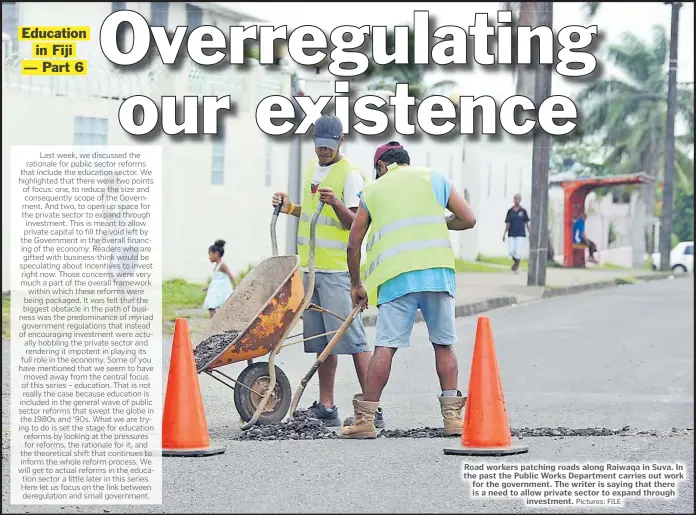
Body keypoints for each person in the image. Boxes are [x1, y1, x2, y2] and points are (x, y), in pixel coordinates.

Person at [340, 141, 477, 440]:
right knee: (443, 344)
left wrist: (355, 284)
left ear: (381, 166)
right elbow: (468, 218)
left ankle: (365, 420)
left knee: (385, 347)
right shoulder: (435, 178)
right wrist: (445, 224)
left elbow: (353, 243)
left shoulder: (373, 190)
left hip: (396, 277)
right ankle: (453, 419)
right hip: (437, 274)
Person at [272, 115, 383, 428]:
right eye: (319, 147)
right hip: (311, 270)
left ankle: (371, 408)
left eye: (328, 147)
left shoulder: (351, 176)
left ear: (341, 142)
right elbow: (309, 213)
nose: (323, 152)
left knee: (355, 340)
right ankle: (327, 405)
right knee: (323, 341)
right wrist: (289, 207)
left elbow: (356, 223)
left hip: (337, 271)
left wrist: (335, 202)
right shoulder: (312, 168)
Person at [202, 239, 238, 318]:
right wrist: (207, 287)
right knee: (211, 307)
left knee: (215, 307)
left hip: (220, 292)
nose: (209, 257)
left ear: (216, 254)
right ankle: (213, 324)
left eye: (210, 254)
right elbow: (215, 280)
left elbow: (231, 275)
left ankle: (216, 324)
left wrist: (236, 286)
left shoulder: (222, 265)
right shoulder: (216, 266)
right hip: (214, 291)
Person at [503, 194, 531, 273]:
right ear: (513, 199)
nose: (517, 200)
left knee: (518, 252)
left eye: (518, 199)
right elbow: (508, 223)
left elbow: (527, 223)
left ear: (520, 200)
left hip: (520, 234)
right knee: (511, 252)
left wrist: (530, 233)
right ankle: (516, 262)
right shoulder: (510, 211)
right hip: (511, 233)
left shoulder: (523, 211)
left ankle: (516, 266)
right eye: (515, 198)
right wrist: (504, 234)